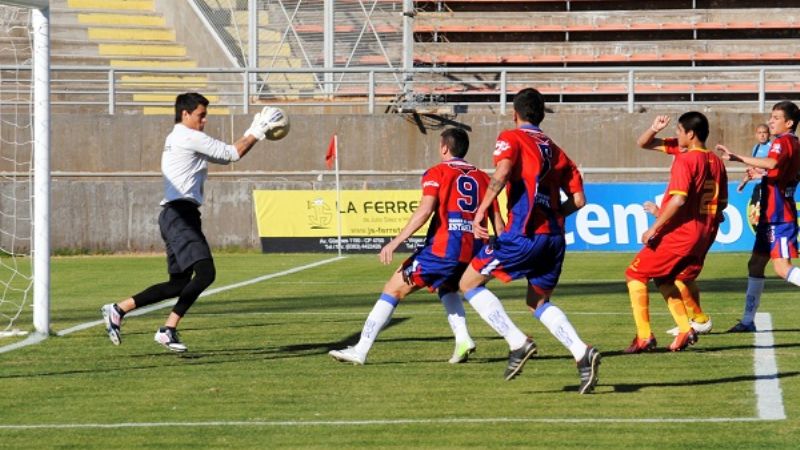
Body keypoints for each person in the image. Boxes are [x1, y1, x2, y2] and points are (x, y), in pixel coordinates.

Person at [100, 92, 285, 352]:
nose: (205, 120)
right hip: (179, 215)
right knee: (206, 273)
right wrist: (259, 129)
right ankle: (167, 329)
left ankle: (119, 309)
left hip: (175, 214)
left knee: (178, 283)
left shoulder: (178, 136)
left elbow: (225, 155)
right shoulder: (188, 136)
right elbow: (232, 153)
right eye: (201, 115)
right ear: (185, 114)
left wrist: (253, 132)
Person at [458, 87, 600, 394]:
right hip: (553, 239)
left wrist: (481, 210)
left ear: (515, 112)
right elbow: (579, 200)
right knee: (537, 301)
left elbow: (503, 170)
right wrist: (553, 216)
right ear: (542, 114)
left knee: (468, 283)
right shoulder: (556, 149)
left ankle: (517, 341)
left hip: (523, 234)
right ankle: (581, 351)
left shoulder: (511, 137)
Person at [328, 128, 504, 365]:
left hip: (443, 249)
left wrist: (395, 242)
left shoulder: (438, 172)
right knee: (447, 288)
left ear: (444, 147)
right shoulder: (484, 178)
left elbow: (424, 211)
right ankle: (463, 340)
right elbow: (498, 222)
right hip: (473, 250)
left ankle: (360, 350)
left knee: (393, 288)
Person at [624, 112, 727, 353]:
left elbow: (679, 200)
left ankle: (644, 336)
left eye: (679, 131)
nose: (677, 135)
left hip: (681, 232)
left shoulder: (685, 159)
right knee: (664, 278)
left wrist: (654, 226)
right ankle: (684, 329)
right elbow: (721, 203)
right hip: (705, 232)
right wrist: (654, 128)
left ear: (690, 134)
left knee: (635, 274)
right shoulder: (716, 161)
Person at [716, 101, 800, 333]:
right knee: (755, 264)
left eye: (775, 117)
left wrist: (738, 158)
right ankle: (747, 321)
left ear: (789, 123)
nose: (771, 121)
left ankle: (747, 321)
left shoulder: (783, 142)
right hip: (769, 216)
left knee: (782, 269)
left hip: (779, 216)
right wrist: (763, 173)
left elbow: (773, 162)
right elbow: (780, 170)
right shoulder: (791, 143)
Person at [739, 123, 772, 226]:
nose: (762, 135)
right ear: (756, 135)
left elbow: (773, 168)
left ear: (769, 134)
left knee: (762, 215)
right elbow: (752, 167)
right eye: (760, 133)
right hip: (757, 185)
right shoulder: (756, 148)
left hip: (767, 185)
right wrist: (744, 182)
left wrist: (762, 172)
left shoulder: (771, 147)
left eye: (764, 133)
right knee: (753, 215)